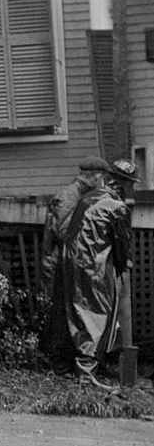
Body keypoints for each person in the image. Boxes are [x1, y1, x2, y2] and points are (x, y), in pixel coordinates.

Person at [54, 158, 138, 386]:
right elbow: (121, 246)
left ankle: (77, 365)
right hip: (93, 264)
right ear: (126, 185)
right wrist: (123, 266)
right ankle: (85, 373)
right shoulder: (119, 208)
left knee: (76, 312)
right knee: (95, 312)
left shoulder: (88, 197)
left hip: (70, 260)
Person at [40, 156, 111, 293]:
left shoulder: (81, 195)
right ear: (96, 178)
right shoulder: (69, 196)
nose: (103, 185)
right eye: (103, 180)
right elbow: (65, 234)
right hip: (59, 269)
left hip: (67, 267)